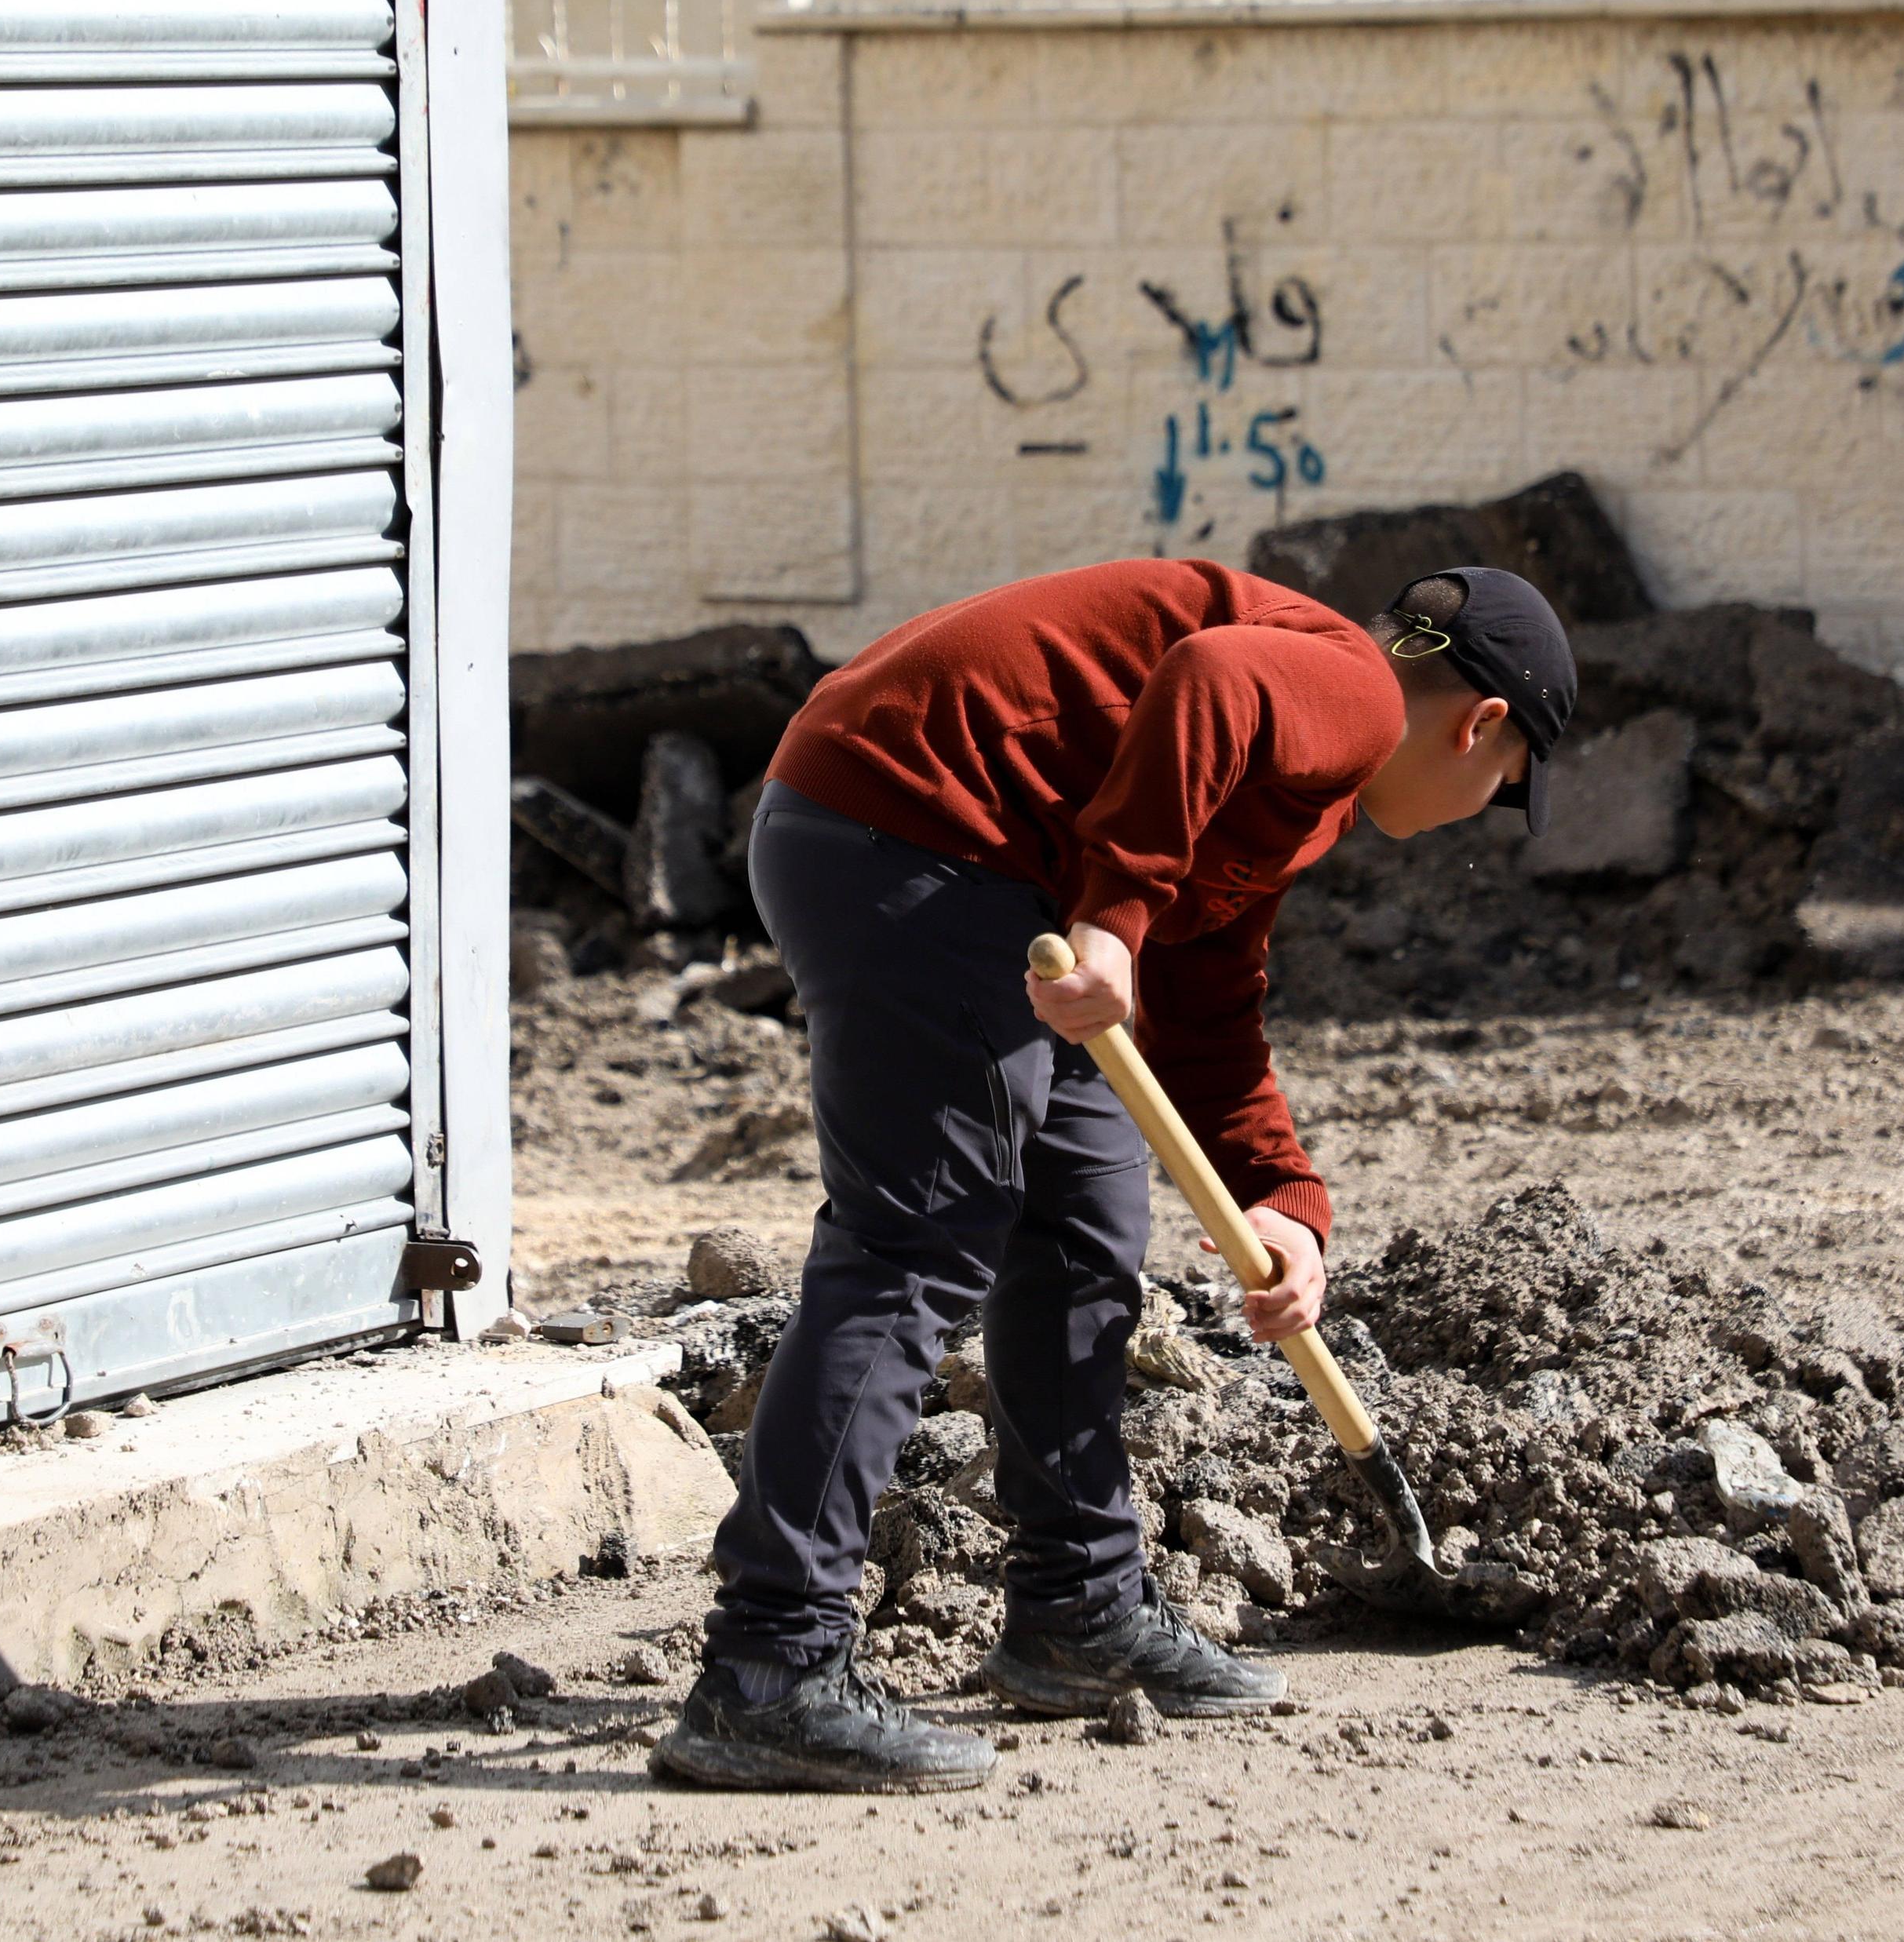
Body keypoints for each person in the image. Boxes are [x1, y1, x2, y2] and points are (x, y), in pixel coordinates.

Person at [652, 557, 1577, 1793]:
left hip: (984, 863)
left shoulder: (1305, 786)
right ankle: (771, 1664)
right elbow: (1208, 680)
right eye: (1504, 790)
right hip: (915, 829)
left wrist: (1285, 1201)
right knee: (917, 1241)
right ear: (1482, 726)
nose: (1481, 806)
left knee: (1086, 1223)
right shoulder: (1350, 692)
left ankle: (1076, 1611)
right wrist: (1112, 920)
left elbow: (1205, 1010)